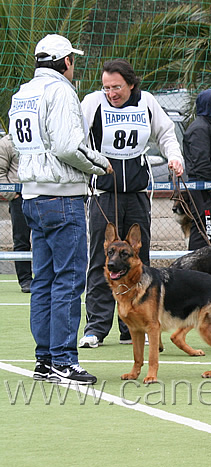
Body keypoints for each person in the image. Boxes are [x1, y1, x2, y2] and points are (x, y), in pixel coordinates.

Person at [9, 34, 112, 383]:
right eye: (72, 60)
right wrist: (100, 164)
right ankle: (64, 361)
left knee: (44, 281)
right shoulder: (62, 92)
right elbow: (69, 147)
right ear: (65, 61)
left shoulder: (22, 93)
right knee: (68, 280)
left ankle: (45, 359)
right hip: (62, 196)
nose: (74, 65)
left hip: (31, 197)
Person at [79, 59, 184, 348]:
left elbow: (166, 133)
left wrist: (175, 156)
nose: (111, 93)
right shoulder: (92, 103)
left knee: (138, 261)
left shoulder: (147, 102)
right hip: (103, 194)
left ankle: (133, 327)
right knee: (103, 260)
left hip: (137, 194)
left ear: (131, 84)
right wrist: (93, 165)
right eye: (107, 87)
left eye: (117, 87)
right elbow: (76, 139)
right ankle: (96, 328)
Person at [183, 88, 211, 250]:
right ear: (209, 107)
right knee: (204, 230)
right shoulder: (200, 129)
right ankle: (195, 271)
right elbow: (201, 165)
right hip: (203, 190)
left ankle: (209, 270)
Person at [0, 134, 32, 293]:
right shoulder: (6, 143)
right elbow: (0, 172)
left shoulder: (40, 137)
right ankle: (25, 280)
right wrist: (13, 195)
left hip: (42, 195)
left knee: (47, 240)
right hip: (19, 199)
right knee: (21, 240)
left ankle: (44, 278)